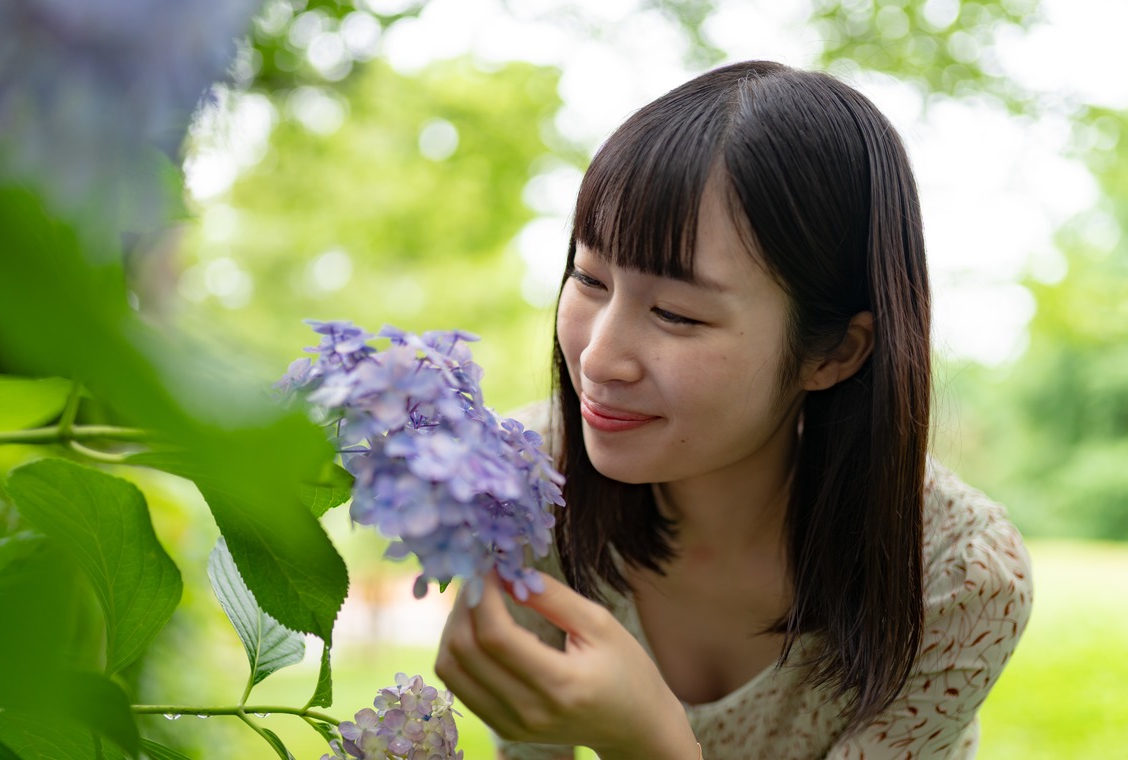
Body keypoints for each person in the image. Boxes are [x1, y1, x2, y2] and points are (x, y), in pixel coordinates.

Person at [434, 60, 1032, 760]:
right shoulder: (522, 485)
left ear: (835, 351)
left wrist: (649, 740)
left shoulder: (956, 578)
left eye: (676, 314)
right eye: (590, 278)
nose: (597, 358)